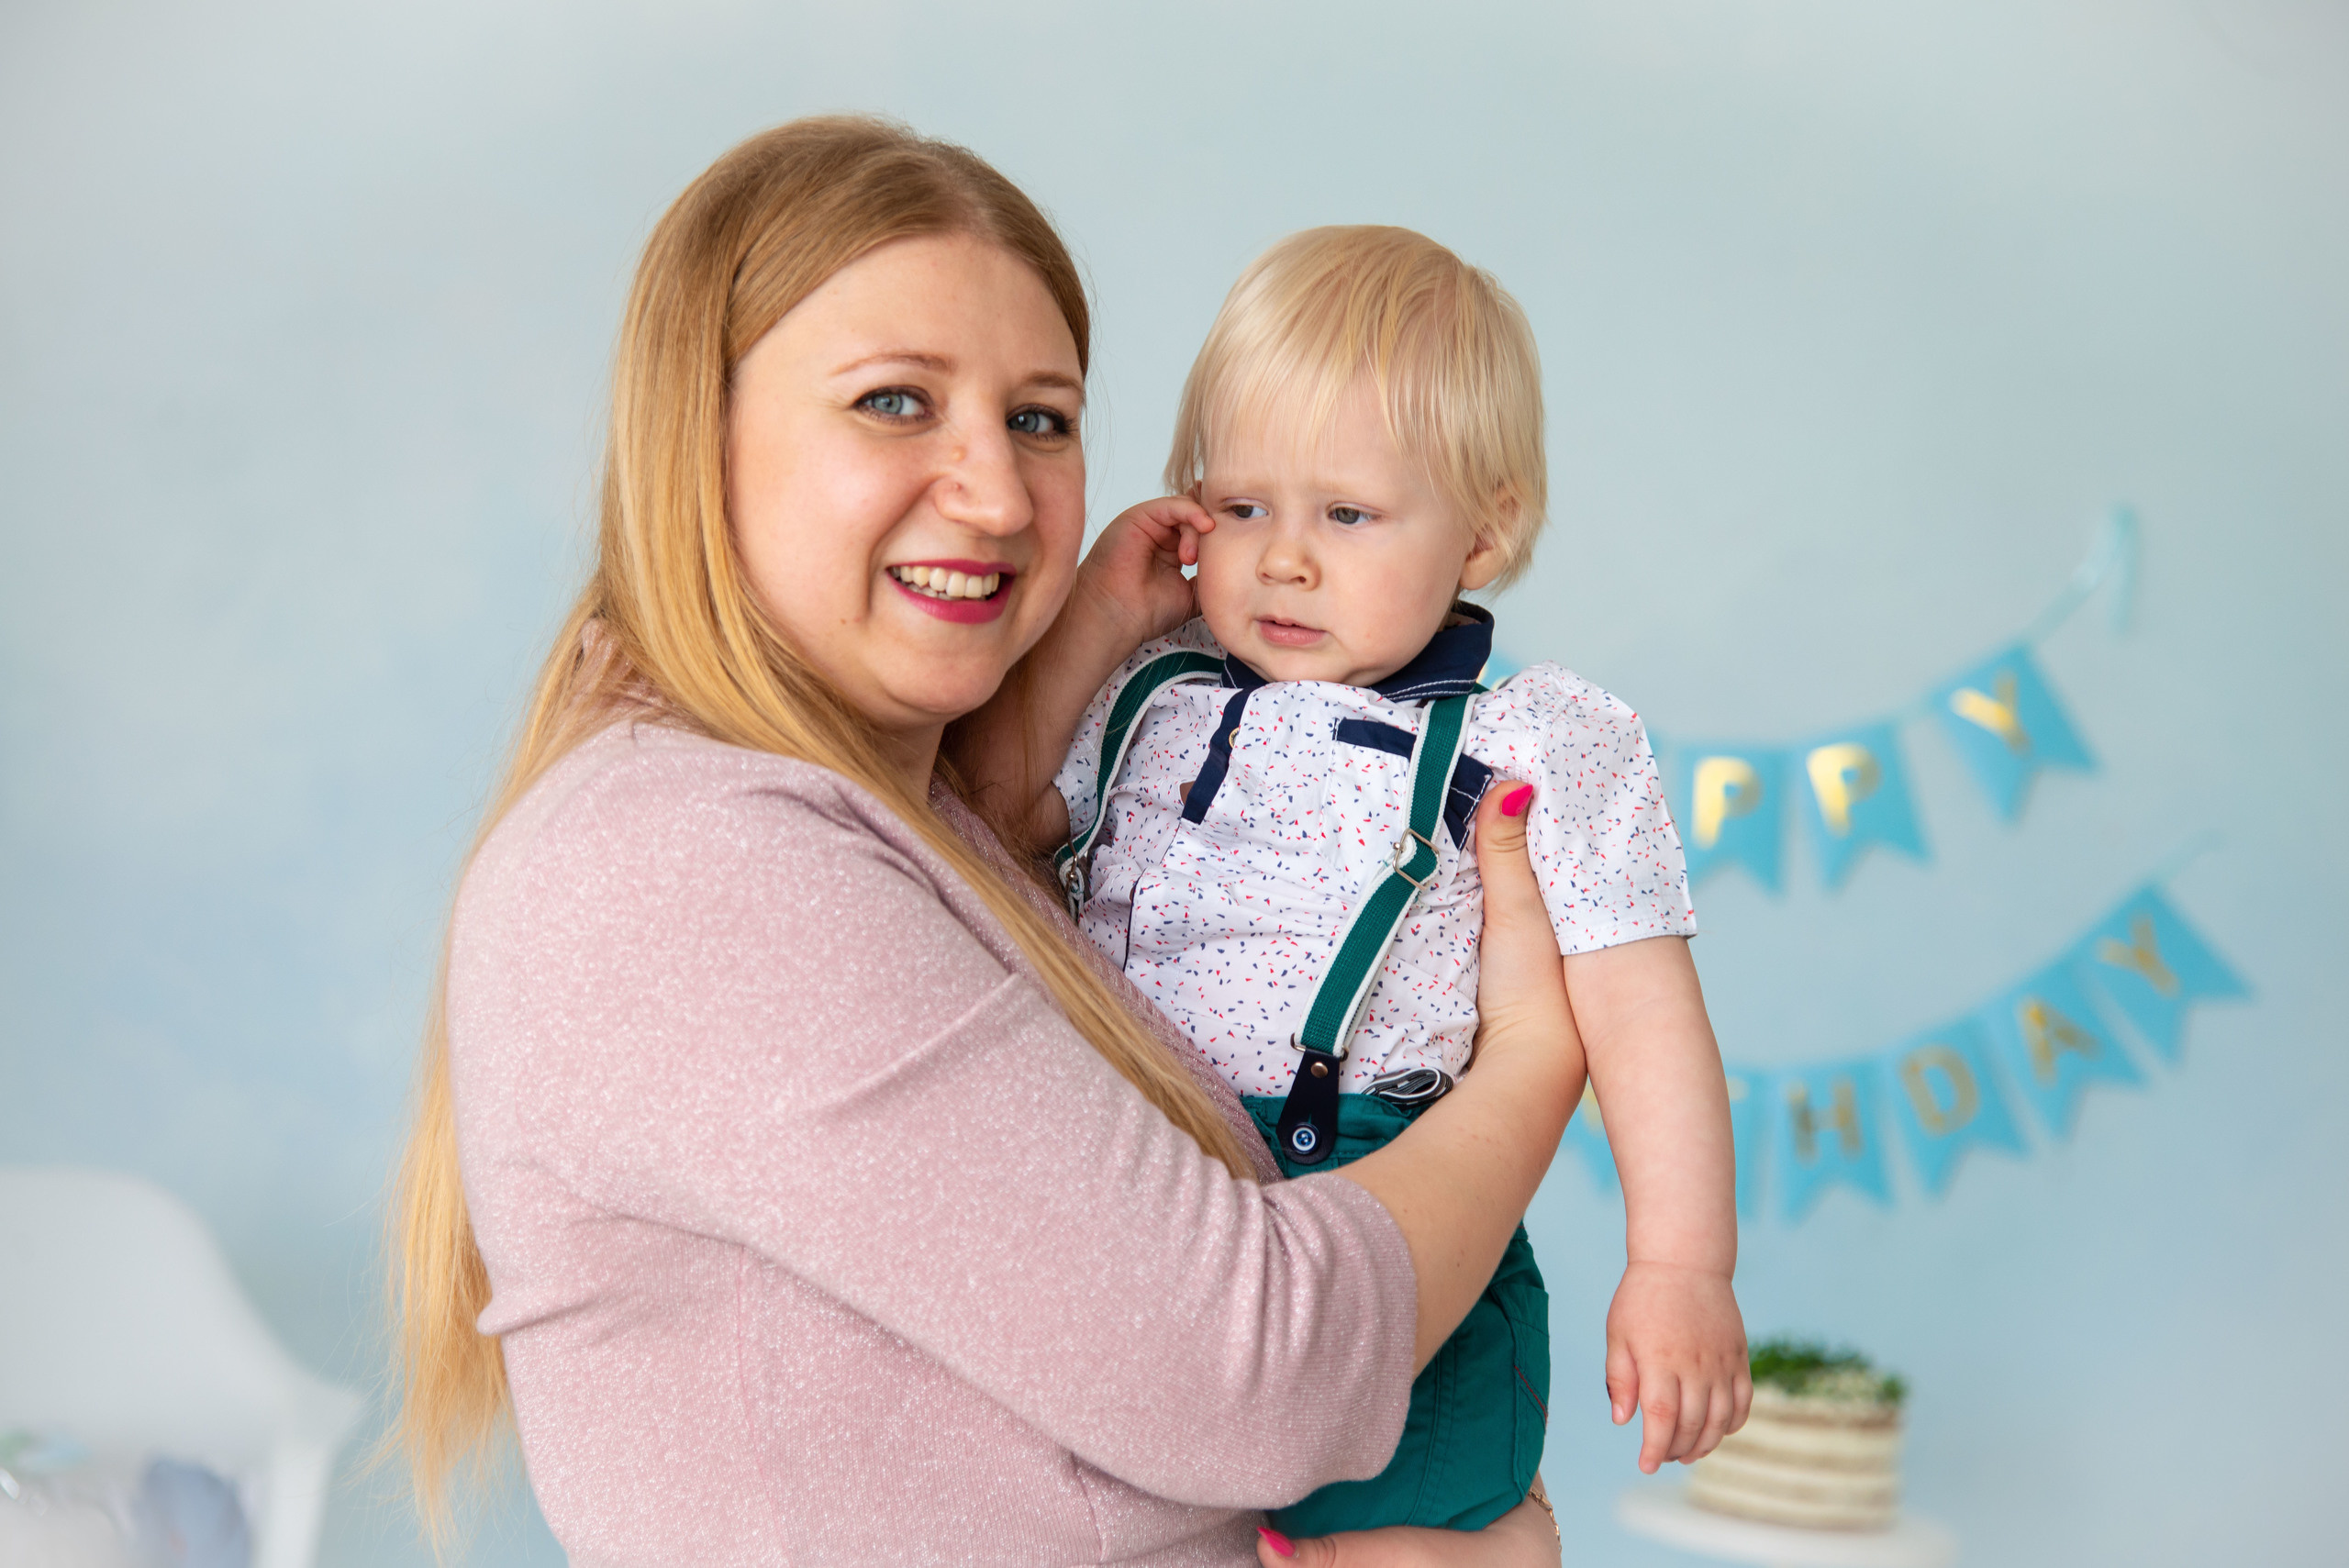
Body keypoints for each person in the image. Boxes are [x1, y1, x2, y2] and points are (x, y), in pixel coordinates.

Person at [386, 118, 1586, 1568]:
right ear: (694, 439)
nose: (1002, 496)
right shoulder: (694, 862)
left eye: (1040, 419)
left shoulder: (869, 816)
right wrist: (1535, 1060)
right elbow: (1252, 1372)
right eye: (895, 401)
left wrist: (1087, 632)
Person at [954, 227, 1752, 1539]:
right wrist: (1102, 610)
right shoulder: (1147, 696)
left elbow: (1643, 1011)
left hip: (1392, 1205)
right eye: (1244, 505)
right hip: (1137, 1195)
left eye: (1346, 514)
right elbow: (972, 825)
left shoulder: (1534, 740)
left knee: (1416, 1527)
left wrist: (1680, 1263)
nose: (1284, 558)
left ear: (1484, 531)